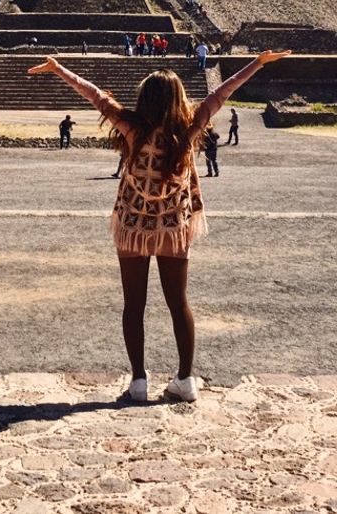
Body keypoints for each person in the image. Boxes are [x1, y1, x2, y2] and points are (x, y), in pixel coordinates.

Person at [27, 48, 290, 403]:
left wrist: (60, 70)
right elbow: (222, 92)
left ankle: (138, 380)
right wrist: (256, 64)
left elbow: (95, 96)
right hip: (173, 226)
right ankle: (185, 379)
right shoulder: (189, 127)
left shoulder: (132, 128)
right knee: (178, 302)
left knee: (133, 305)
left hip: (133, 223)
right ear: (178, 98)